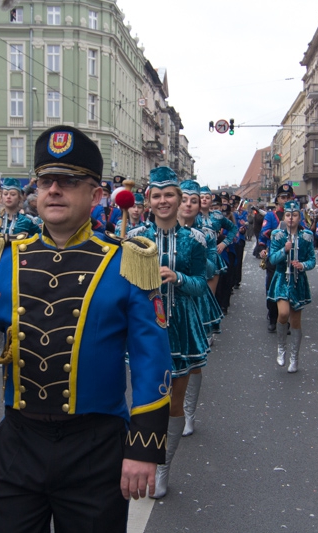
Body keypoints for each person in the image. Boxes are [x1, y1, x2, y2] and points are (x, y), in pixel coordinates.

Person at [0, 126, 171, 531]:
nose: (55, 190)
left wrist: (143, 447)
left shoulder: (128, 264)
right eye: (46, 181)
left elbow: (154, 361)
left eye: (69, 181)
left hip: (96, 447)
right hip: (18, 442)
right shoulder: (0, 256)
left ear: (96, 195)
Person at [128, 168, 209, 498]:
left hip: (182, 327)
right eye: (157, 195)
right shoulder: (134, 237)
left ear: (180, 199)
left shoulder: (196, 240)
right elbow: (124, 287)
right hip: (146, 327)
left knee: (175, 400)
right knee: (144, 398)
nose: (163, 201)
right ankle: (141, 456)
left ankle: (163, 466)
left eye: (169, 195)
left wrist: (178, 278)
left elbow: (202, 284)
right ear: (149, 200)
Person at [178, 179, 222, 437]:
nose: (188, 204)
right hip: (167, 301)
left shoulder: (206, 234)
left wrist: (201, 250)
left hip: (194, 299)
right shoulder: (162, 231)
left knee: (193, 362)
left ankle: (188, 413)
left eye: (193, 201)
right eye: (184, 199)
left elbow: (210, 270)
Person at [266, 201, 315, 373]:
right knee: (284, 313)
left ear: (300, 217)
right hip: (281, 279)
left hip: (298, 281)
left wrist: (303, 265)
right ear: (284, 217)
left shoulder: (307, 236)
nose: (291, 218)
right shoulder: (277, 235)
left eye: (294, 215)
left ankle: (294, 357)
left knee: (295, 321)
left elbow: (312, 260)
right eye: (288, 215)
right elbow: (271, 260)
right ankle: (281, 347)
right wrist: (284, 251)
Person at [259, 184, 293, 332]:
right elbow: (264, 232)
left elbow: (305, 229)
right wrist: (279, 231)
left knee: (291, 287)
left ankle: (286, 319)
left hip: (291, 256)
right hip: (275, 255)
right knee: (272, 286)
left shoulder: (296, 214)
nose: (285, 200)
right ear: (277, 199)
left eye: (288, 197)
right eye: (282, 197)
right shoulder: (271, 215)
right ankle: (273, 317)